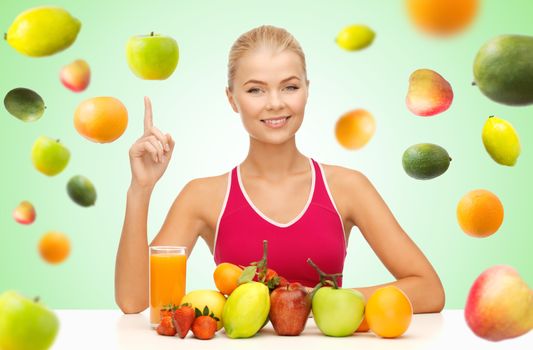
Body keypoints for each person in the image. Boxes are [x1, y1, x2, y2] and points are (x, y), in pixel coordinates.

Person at [115, 25, 445, 314]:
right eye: (255, 89)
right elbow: (134, 301)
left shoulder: (348, 187)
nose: (275, 102)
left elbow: (429, 289)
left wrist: (320, 301)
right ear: (232, 99)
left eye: (289, 86)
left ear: (307, 90)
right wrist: (140, 189)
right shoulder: (202, 196)